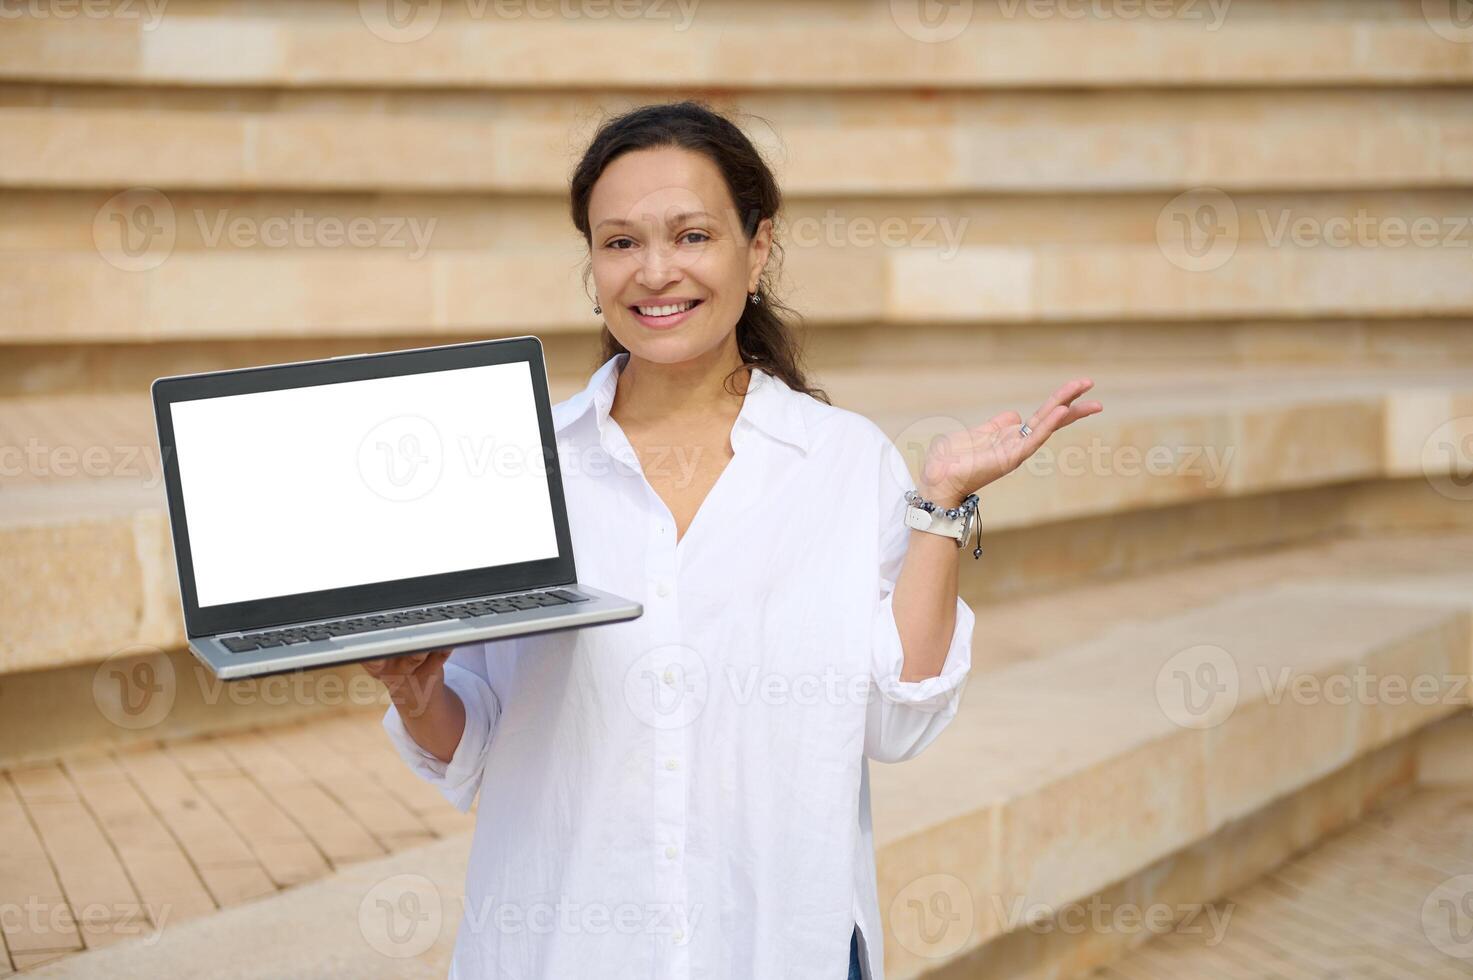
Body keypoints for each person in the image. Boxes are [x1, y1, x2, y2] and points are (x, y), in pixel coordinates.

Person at [363, 100, 1102, 980]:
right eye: (620, 242)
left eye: (691, 235)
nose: (655, 271)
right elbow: (474, 746)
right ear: (592, 264)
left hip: (774, 945)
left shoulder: (839, 460)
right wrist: (417, 693)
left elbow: (894, 720)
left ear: (756, 251)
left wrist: (939, 504)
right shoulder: (521, 471)